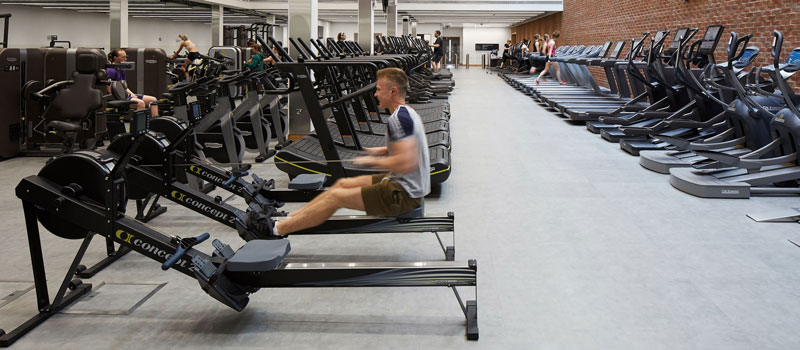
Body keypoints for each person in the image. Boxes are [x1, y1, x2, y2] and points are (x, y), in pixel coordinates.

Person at [271, 67, 430, 237]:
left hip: (403, 195)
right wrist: (382, 151)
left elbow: (406, 161)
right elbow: (408, 146)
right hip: (403, 184)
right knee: (340, 184)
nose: (375, 94)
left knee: (336, 198)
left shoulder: (398, 119)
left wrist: (371, 161)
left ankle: (276, 230)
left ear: (393, 91)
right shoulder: (408, 112)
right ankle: (290, 218)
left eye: (378, 89)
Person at [106, 48, 158, 117]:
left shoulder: (122, 69)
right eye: (123, 57)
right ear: (115, 58)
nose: (125, 59)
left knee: (153, 100)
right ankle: (139, 126)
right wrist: (127, 96)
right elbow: (110, 90)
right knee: (140, 103)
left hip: (124, 95)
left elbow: (125, 87)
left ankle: (155, 122)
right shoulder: (111, 70)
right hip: (116, 97)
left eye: (126, 57)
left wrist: (132, 94)